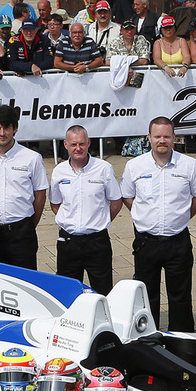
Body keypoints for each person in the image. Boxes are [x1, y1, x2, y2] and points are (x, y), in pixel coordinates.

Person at [121, 117, 196, 332]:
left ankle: (182, 343)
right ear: (149, 137)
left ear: (174, 138)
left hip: (177, 241)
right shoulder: (135, 166)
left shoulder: (189, 165)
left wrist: (182, 217)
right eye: (157, 136)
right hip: (146, 243)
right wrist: (144, 216)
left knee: (180, 297)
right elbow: (127, 197)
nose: (162, 140)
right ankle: (148, 342)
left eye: (167, 136)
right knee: (146, 297)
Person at [0, 104, 48, 269]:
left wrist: (27, 225)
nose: (2, 133)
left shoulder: (32, 158)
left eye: (7, 128)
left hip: (21, 233)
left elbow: (40, 195)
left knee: (26, 283)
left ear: (15, 129)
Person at [50, 124, 122, 293]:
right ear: (65, 145)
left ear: (89, 143)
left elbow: (116, 202)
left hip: (97, 243)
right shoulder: (59, 171)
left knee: (103, 292)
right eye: (73, 144)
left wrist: (100, 220)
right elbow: (55, 204)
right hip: (68, 243)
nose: (78, 148)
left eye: (82, 143)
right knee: (67, 293)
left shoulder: (103, 168)